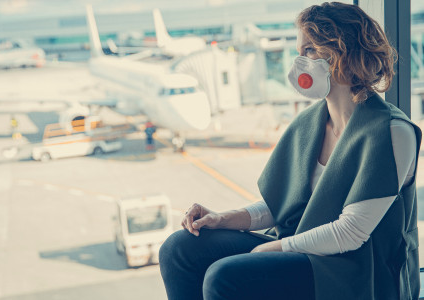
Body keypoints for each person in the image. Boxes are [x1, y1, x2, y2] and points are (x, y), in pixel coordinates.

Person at [159, 2, 422, 300]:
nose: (299, 62)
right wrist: (222, 218)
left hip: (356, 268)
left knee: (225, 278)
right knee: (179, 249)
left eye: (309, 50)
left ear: (343, 53)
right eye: (300, 51)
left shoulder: (391, 132)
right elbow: (281, 205)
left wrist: (276, 247)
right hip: (302, 248)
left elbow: (351, 233)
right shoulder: (308, 123)